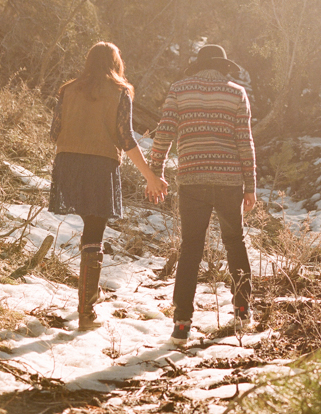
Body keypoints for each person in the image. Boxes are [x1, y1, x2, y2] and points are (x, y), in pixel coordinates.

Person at [49, 41, 166, 331]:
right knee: (94, 231)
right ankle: (86, 311)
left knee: (89, 225)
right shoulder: (120, 92)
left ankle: (89, 296)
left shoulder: (67, 89)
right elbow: (126, 138)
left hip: (67, 163)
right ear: (116, 64)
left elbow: (55, 132)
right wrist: (150, 176)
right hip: (99, 166)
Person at [149, 44, 256, 346]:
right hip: (229, 181)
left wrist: (155, 172)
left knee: (191, 248)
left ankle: (181, 324)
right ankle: (243, 311)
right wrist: (250, 186)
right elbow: (244, 142)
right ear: (224, 68)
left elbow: (165, 132)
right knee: (235, 242)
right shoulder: (237, 93)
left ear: (198, 66)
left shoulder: (180, 89)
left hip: (192, 179)